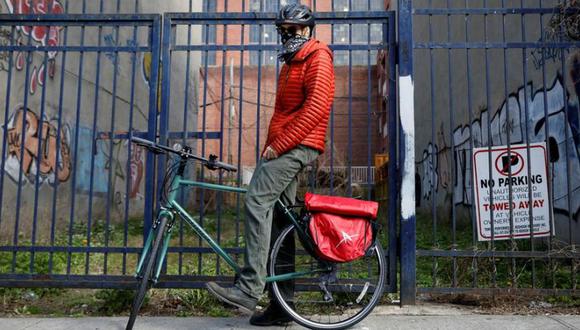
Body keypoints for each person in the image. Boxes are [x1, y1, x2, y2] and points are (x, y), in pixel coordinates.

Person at [206, 3, 335, 326]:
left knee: (256, 199)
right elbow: (285, 113)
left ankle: (249, 289)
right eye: (283, 30)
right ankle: (282, 306)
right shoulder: (292, 62)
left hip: (299, 145)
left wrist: (279, 145)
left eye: (293, 30)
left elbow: (316, 107)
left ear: (306, 30)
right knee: (280, 221)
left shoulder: (318, 56)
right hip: (286, 146)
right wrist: (271, 146)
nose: (287, 35)